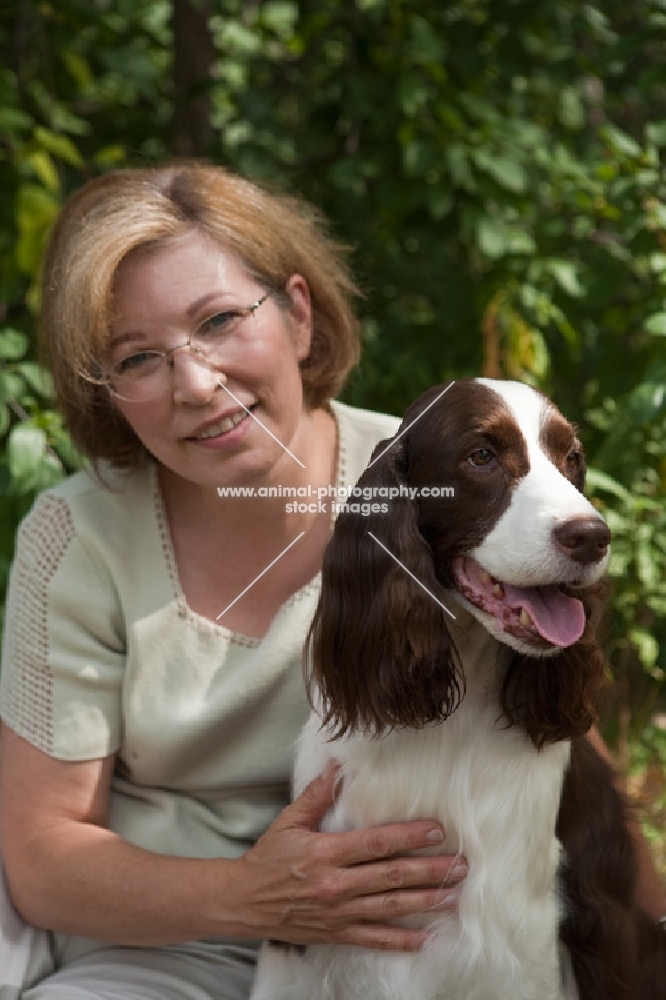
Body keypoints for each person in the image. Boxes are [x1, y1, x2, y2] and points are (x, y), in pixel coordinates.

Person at [0, 162, 469, 1000]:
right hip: (169, 950)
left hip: (426, 940)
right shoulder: (78, 537)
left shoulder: (436, 480)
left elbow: (564, 758)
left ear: (297, 312)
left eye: (219, 319)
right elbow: (42, 857)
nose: (196, 384)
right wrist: (253, 897)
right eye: (138, 358)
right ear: (106, 392)